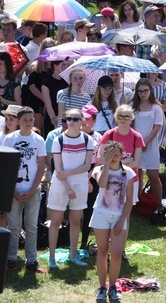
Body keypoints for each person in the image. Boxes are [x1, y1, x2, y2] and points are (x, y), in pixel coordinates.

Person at [48, 108, 96, 269]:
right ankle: (52, 258)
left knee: (76, 221)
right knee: (56, 220)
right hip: (61, 184)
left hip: (79, 183)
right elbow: (58, 169)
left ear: (82, 121)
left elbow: (87, 165)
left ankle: (73, 255)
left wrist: (69, 174)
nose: (71, 121)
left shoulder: (88, 140)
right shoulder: (58, 140)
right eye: (68, 118)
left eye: (75, 118)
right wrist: (68, 187)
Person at [3, 105, 47, 274]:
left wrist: (32, 190)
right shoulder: (10, 139)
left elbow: (41, 167)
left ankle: (32, 260)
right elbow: (6, 166)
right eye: (25, 120)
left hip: (32, 189)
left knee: (31, 226)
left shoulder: (38, 140)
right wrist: (12, 189)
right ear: (18, 121)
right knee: (13, 225)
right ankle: (11, 259)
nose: (29, 122)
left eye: (31, 119)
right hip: (13, 188)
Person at [91, 140, 135, 302]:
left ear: (122, 155)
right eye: (110, 154)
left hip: (119, 216)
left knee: (116, 254)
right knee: (102, 252)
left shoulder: (128, 172)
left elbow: (129, 200)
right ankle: (102, 287)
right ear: (104, 155)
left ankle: (113, 286)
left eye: (116, 153)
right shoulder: (99, 169)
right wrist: (107, 164)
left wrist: (121, 220)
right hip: (101, 213)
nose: (114, 157)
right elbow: (102, 184)